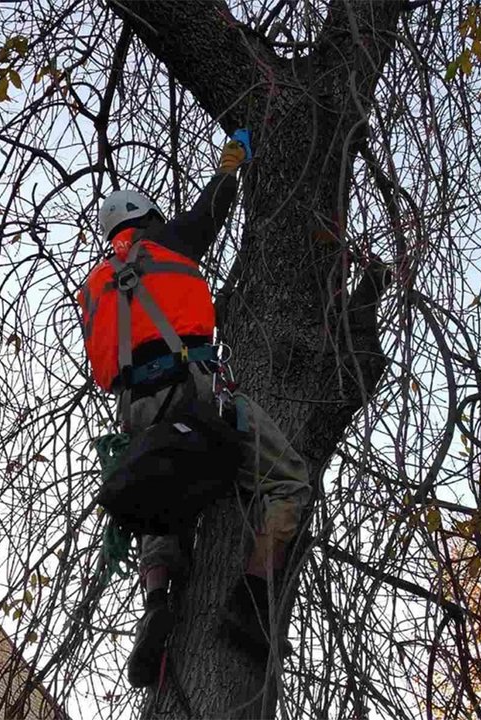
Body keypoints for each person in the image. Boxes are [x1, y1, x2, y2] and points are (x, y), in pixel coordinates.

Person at [77, 131, 311, 688]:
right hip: (197, 392)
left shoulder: (93, 288)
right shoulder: (168, 243)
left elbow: (107, 361)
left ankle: (157, 600)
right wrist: (238, 152)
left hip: (135, 416)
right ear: (147, 220)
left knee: (162, 505)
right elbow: (216, 201)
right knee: (291, 482)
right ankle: (250, 600)